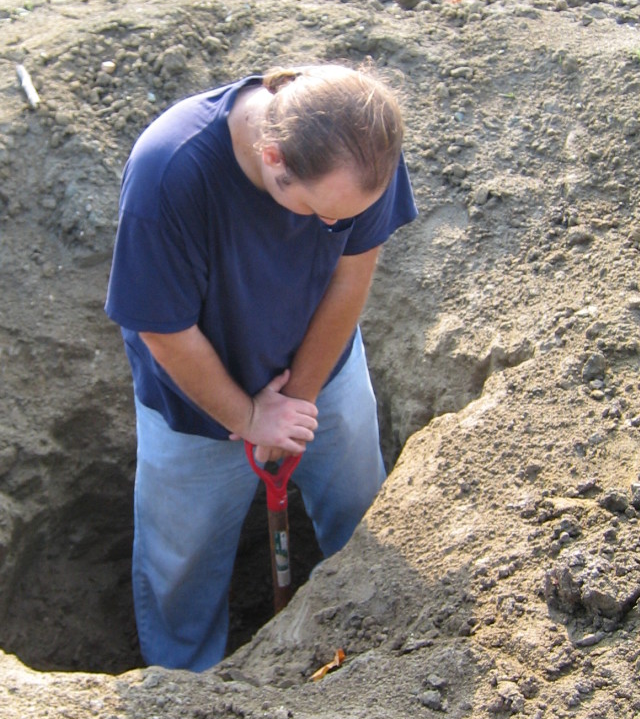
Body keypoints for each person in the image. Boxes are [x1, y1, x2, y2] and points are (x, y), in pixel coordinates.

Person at [105, 62, 417, 671]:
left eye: (345, 216)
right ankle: (185, 688)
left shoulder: (366, 146)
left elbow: (351, 278)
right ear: (272, 156)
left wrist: (295, 405)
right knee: (183, 567)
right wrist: (249, 416)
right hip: (197, 406)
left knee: (363, 521)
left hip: (322, 371)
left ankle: (380, 661)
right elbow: (163, 330)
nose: (333, 227)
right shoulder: (170, 173)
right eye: (318, 212)